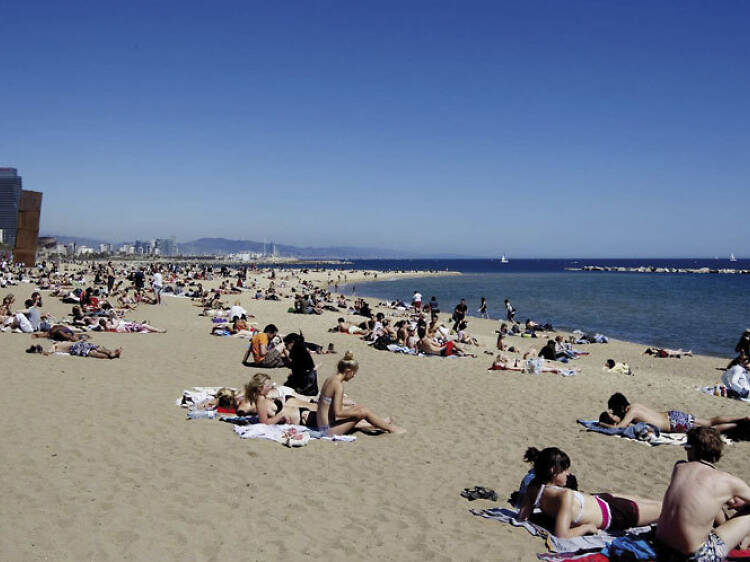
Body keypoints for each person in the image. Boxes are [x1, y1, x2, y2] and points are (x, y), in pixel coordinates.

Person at [518, 447, 661, 538]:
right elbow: (561, 534)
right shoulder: (564, 495)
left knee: (644, 501)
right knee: (664, 509)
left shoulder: (533, 487)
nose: (568, 474)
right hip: (614, 513)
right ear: (553, 471)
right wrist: (586, 528)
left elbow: (523, 516)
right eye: (565, 470)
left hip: (601, 501)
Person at [656, 427, 750, 561]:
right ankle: (745, 541)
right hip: (693, 556)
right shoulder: (728, 482)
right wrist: (743, 503)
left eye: (687, 446)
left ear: (694, 449)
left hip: (662, 545)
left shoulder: (679, 467)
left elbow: (699, 494)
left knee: (710, 505)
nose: (685, 450)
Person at [305, 351, 405, 435]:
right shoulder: (338, 385)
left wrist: (355, 410)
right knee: (363, 411)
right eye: (354, 373)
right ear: (348, 371)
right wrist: (357, 412)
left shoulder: (330, 379)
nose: (353, 376)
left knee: (359, 409)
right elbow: (338, 412)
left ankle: (384, 425)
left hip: (323, 424)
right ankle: (390, 429)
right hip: (326, 430)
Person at [599, 393, 749, 434]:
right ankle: (743, 417)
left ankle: (736, 425)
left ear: (619, 406)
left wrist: (602, 424)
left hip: (672, 424)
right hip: (673, 415)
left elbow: (618, 428)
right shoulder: (635, 406)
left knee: (709, 430)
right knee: (709, 421)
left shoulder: (631, 412)